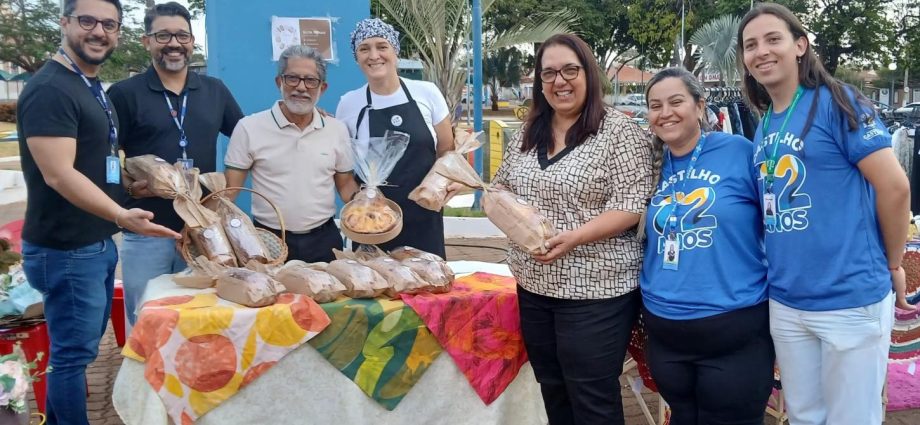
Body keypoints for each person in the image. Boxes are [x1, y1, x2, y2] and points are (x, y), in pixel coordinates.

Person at [739, 3, 914, 424]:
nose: (761, 51)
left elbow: (895, 187)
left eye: (773, 39)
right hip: (787, 300)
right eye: (750, 45)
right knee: (803, 416)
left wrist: (893, 261)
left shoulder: (838, 101)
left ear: (800, 45)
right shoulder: (766, 124)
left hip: (849, 298)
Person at [15, 0, 179, 423]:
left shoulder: (87, 85)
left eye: (109, 24)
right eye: (87, 21)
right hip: (67, 247)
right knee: (73, 356)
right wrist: (122, 216)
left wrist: (127, 187)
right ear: (65, 22)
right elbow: (58, 175)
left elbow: (92, 160)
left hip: (94, 241)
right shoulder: (51, 89)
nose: (99, 31)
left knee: (76, 351)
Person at [491, 33, 655, 425]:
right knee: (552, 388)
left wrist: (575, 237)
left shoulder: (619, 131)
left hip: (596, 290)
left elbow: (631, 205)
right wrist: (492, 200)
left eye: (569, 70)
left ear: (589, 73)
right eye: (548, 73)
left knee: (592, 396)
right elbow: (501, 186)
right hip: (534, 285)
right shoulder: (530, 133)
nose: (559, 81)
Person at [639, 67, 773, 425]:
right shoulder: (647, 166)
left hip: (734, 328)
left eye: (675, 101)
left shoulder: (739, 151)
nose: (665, 112)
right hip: (666, 333)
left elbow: (779, 222)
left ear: (700, 106)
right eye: (655, 105)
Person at [107, 1, 243, 325]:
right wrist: (125, 188)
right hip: (146, 231)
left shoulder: (214, 91)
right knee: (146, 320)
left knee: (201, 319)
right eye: (163, 35)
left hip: (200, 233)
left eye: (182, 36)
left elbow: (249, 137)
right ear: (147, 41)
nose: (174, 44)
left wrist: (302, 116)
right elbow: (107, 157)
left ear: (193, 42)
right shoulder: (125, 93)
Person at [224, 45, 359, 263]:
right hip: (268, 240)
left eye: (310, 80)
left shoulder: (336, 129)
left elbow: (344, 184)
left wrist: (365, 200)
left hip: (324, 241)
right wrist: (201, 221)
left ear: (322, 88)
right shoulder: (249, 127)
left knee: (328, 297)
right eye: (292, 78)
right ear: (280, 82)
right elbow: (229, 191)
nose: (301, 87)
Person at [335, 18, 455, 258]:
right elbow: (342, 169)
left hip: (425, 216)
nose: (374, 55)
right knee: (376, 290)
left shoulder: (427, 92)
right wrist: (357, 201)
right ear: (356, 57)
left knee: (427, 288)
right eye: (364, 48)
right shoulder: (349, 103)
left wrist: (445, 185)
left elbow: (447, 150)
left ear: (395, 51)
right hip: (372, 224)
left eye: (382, 46)